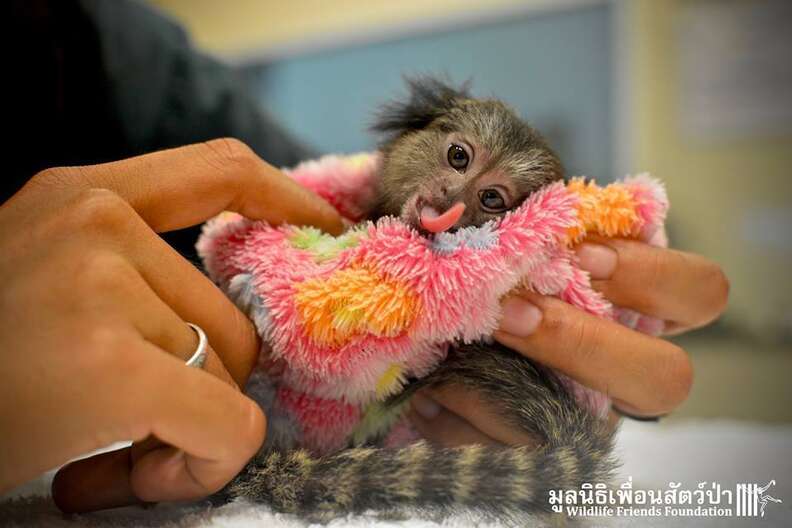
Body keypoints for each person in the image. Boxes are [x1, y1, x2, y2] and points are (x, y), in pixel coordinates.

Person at [1, 0, 729, 514]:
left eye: (494, 199)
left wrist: (593, 371)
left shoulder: (100, 49)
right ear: (421, 133)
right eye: (457, 157)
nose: (457, 191)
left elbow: (271, 192)